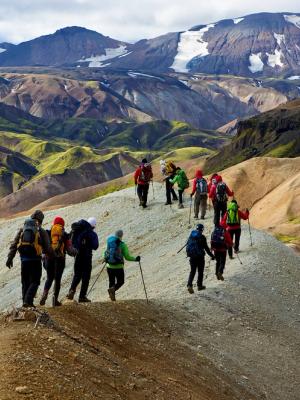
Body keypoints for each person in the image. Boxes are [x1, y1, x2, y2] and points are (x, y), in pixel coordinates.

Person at [6, 210, 53, 308]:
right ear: (41, 220)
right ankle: (28, 301)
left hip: (24, 260)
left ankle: (26, 303)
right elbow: (48, 248)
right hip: (35, 260)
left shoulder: (22, 229)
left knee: (25, 282)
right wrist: (54, 255)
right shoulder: (41, 231)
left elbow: (14, 245)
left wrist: (10, 258)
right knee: (35, 281)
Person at [40, 216, 77, 306]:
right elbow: (69, 249)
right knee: (57, 279)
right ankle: (55, 299)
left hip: (49, 259)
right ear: (62, 225)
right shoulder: (64, 234)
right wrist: (75, 252)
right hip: (60, 259)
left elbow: (43, 247)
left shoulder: (48, 233)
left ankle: (44, 294)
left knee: (49, 278)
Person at [66, 217, 99, 303]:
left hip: (78, 255)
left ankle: (71, 290)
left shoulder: (78, 229)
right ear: (93, 226)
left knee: (77, 274)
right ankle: (82, 296)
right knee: (86, 277)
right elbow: (95, 246)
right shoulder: (92, 234)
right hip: (87, 257)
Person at [104, 230, 140, 301]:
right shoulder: (122, 245)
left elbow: (105, 252)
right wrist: (136, 259)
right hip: (118, 267)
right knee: (121, 281)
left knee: (111, 282)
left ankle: (112, 298)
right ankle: (112, 290)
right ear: (121, 236)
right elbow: (127, 257)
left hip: (109, 266)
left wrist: (106, 259)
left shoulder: (109, 242)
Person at [186, 224, 215, 293]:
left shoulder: (191, 235)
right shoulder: (202, 237)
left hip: (192, 257)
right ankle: (199, 286)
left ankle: (189, 285)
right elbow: (206, 249)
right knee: (200, 271)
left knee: (192, 271)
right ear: (202, 229)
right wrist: (212, 256)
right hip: (200, 257)